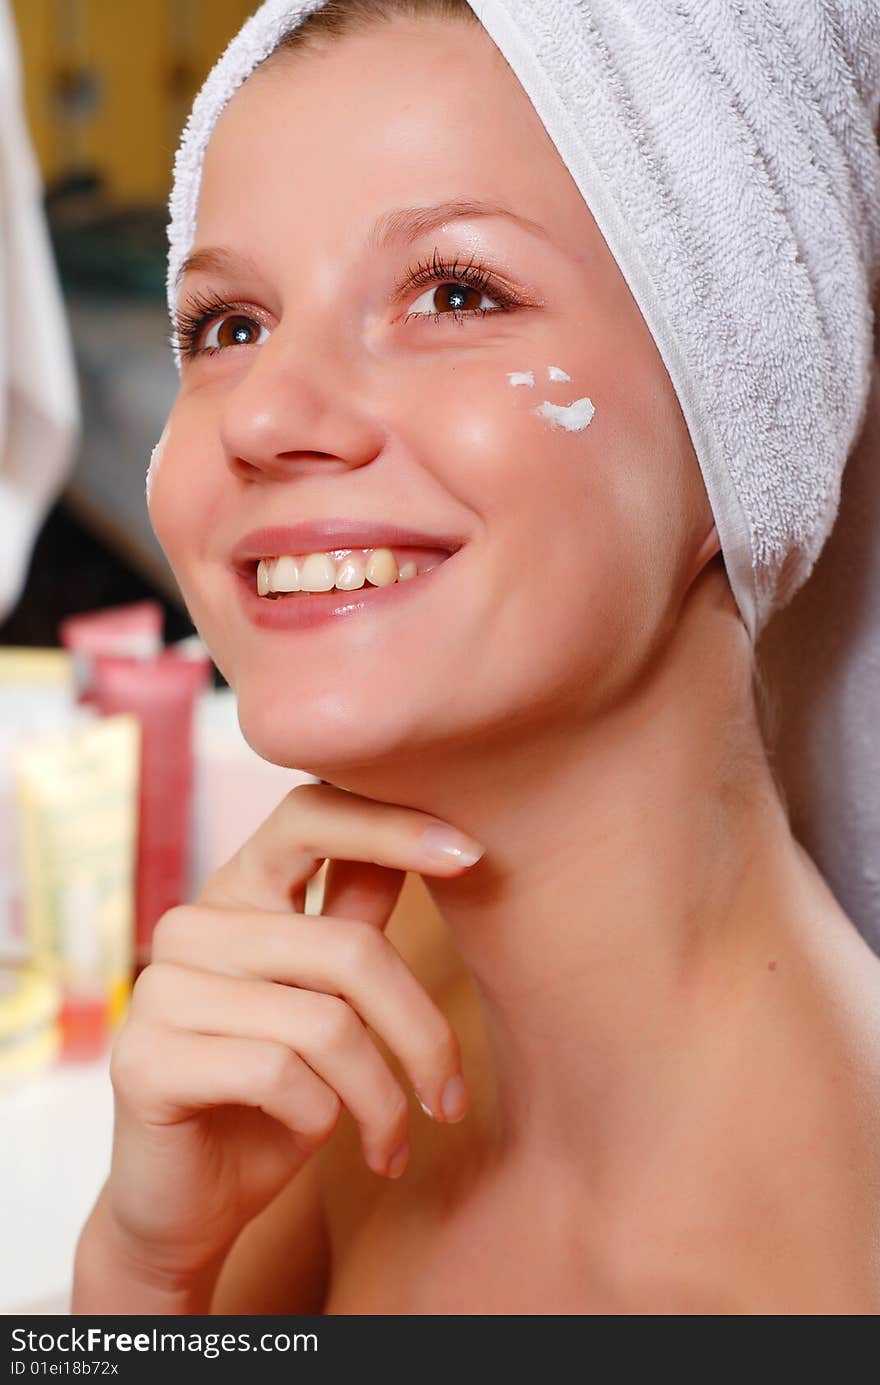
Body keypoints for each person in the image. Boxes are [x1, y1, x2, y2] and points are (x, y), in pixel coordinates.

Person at [72, 0, 880, 1314]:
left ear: (743, 406)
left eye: (457, 291)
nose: (265, 411)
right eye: (229, 324)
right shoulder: (352, 1040)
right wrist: (143, 1271)